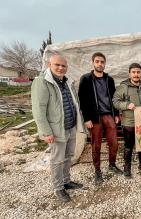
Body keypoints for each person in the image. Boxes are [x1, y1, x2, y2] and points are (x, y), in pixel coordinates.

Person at [31, 54, 83, 203]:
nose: (60, 68)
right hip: (56, 130)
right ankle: (58, 188)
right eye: (57, 65)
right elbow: (39, 110)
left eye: (63, 66)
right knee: (57, 160)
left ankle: (66, 181)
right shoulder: (42, 82)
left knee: (68, 156)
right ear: (49, 65)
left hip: (70, 126)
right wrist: (46, 132)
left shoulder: (67, 82)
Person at [78, 52, 122, 184]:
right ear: (93, 63)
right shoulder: (85, 79)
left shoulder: (110, 79)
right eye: (97, 61)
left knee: (113, 143)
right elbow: (82, 100)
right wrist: (86, 118)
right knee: (96, 145)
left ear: (105, 64)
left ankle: (112, 164)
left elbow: (114, 98)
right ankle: (97, 170)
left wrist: (116, 114)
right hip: (94, 117)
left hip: (109, 115)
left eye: (102, 62)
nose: (100, 64)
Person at [113, 63, 141, 178]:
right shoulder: (123, 87)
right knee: (128, 146)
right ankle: (127, 168)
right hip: (129, 123)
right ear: (129, 73)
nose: (136, 75)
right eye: (134, 72)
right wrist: (126, 105)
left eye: (138, 72)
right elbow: (115, 102)